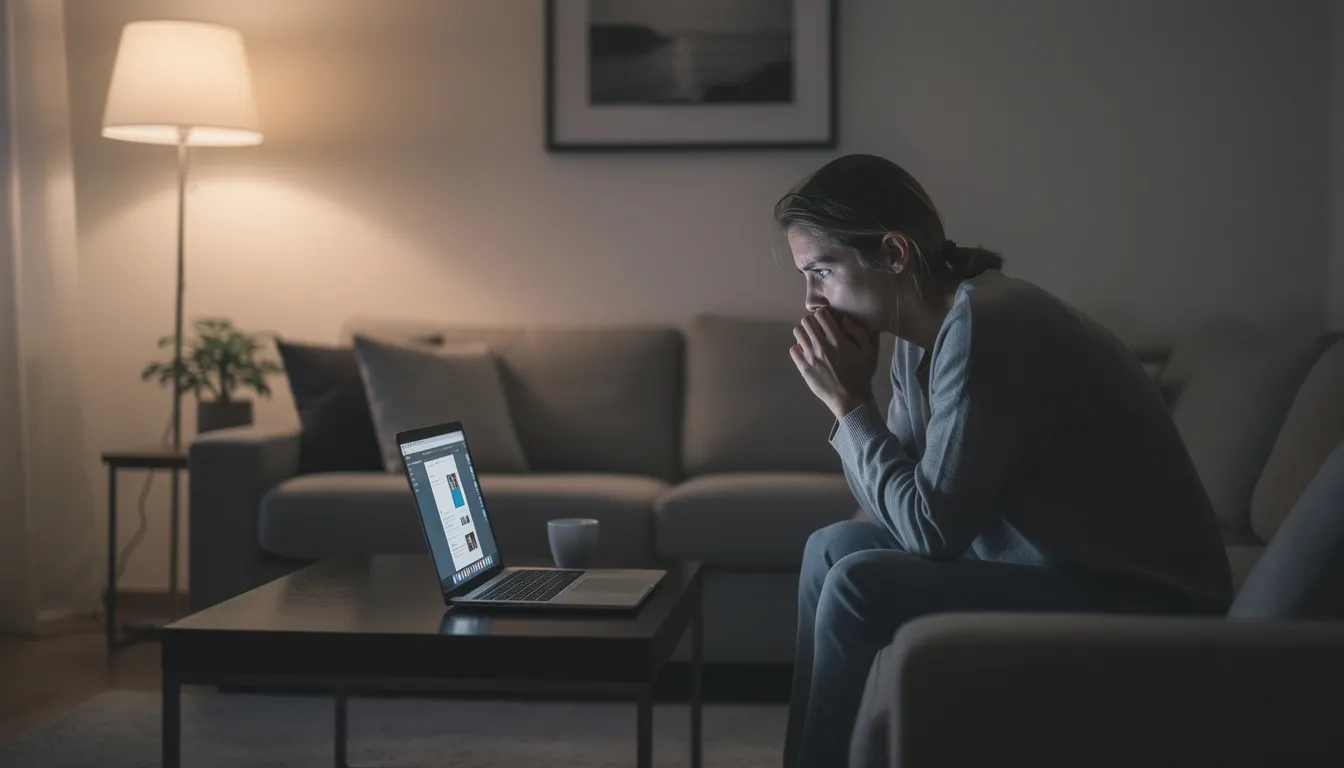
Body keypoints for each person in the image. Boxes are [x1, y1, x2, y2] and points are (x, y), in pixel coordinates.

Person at [777, 153, 1232, 768]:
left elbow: (932, 531)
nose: (811, 301)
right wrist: (853, 405)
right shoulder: (919, 341)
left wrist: (848, 404)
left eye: (821, 271)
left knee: (861, 585)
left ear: (892, 252)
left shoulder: (989, 326)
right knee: (829, 549)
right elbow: (894, 504)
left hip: (1146, 596)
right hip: (1058, 569)